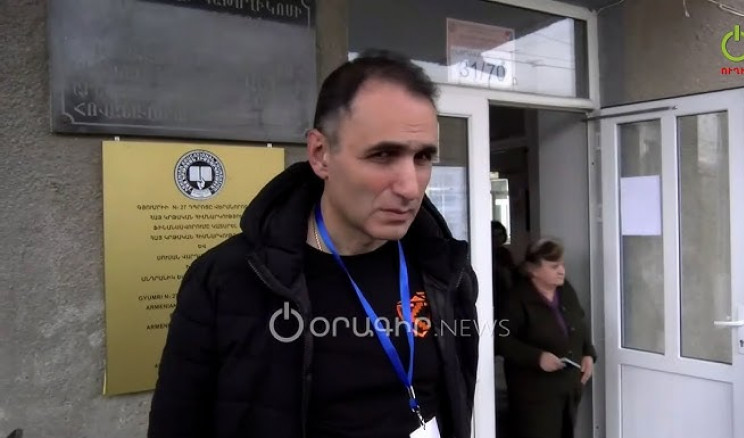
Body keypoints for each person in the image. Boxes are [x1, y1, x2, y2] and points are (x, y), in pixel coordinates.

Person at [148, 50, 479, 438]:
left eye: (422, 157)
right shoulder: (229, 279)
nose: (409, 186)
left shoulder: (445, 271)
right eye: (383, 154)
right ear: (321, 154)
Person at [496, 238, 596, 438]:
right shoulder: (516, 299)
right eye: (554, 266)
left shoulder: (565, 290)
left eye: (562, 265)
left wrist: (588, 353)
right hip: (534, 396)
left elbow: (579, 323)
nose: (562, 271)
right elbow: (501, 341)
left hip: (568, 389)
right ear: (533, 269)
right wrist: (537, 357)